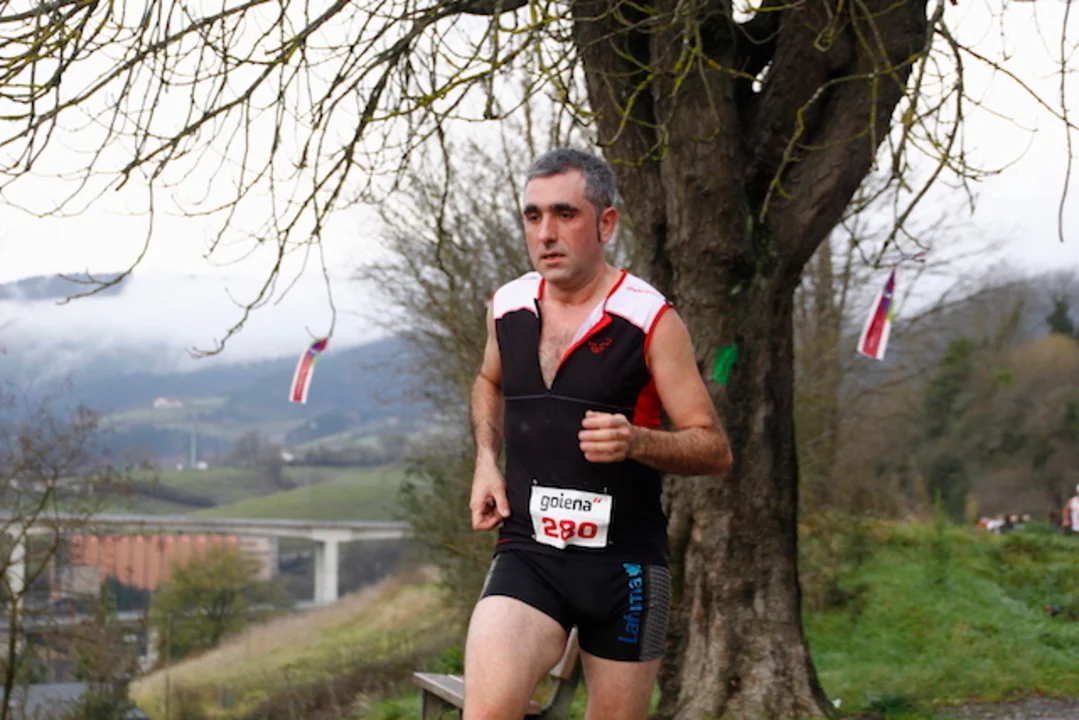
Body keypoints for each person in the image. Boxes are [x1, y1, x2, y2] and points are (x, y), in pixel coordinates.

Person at [464, 148, 733, 720]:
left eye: (565, 214)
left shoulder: (651, 320)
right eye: (533, 216)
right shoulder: (507, 307)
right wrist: (487, 459)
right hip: (529, 553)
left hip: (626, 568)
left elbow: (713, 448)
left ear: (606, 224)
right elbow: (488, 380)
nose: (546, 233)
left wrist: (638, 441)